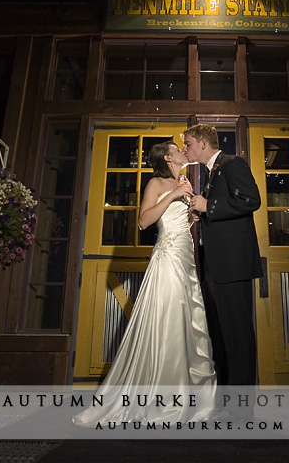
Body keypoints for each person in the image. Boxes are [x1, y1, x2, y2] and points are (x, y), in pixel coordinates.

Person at [72, 141, 217, 427]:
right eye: (178, 149)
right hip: (167, 260)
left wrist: (190, 217)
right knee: (169, 320)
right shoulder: (156, 183)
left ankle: (188, 399)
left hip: (186, 259)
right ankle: (161, 401)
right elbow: (144, 221)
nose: (182, 152)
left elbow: (176, 221)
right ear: (168, 157)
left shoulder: (184, 181)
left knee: (187, 322)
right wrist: (174, 194)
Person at [183, 124, 262, 388]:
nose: (186, 149)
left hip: (233, 266)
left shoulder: (232, 164)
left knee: (238, 337)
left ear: (203, 144)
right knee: (220, 337)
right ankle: (225, 398)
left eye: (189, 144)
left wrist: (209, 205)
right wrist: (201, 213)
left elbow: (251, 200)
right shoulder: (209, 173)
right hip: (214, 267)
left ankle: (241, 407)